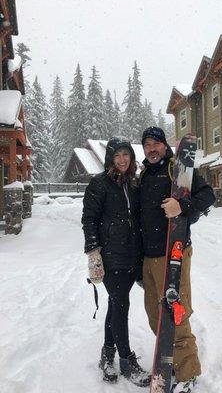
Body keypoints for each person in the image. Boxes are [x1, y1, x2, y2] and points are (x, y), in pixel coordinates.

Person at [139, 127, 215, 393]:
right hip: (148, 257)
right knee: (155, 316)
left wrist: (183, 207)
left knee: (176, 314)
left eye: (155, 143)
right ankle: (167, 359)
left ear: (164, 145)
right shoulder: (144, 174)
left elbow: (208, 196)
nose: (151, 149)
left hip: (173, 253)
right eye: (146, 144)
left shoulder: (178, 169)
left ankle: (188, 373)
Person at [81, 137, 150, 387]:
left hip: (133, 254)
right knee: (121, 305)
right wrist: (93, 252)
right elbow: (89, 218)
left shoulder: (134, 183)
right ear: (110, 158)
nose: (122, 160)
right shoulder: (99, 183)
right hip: (111, 257)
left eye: (126, 155)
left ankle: (107, 354)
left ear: (131, 157)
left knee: (115, 304)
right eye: (117, 156)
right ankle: (126, 360)